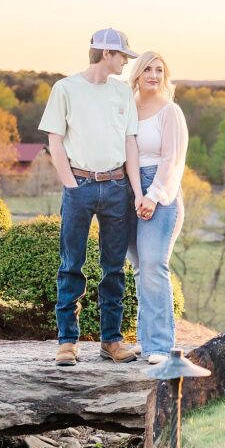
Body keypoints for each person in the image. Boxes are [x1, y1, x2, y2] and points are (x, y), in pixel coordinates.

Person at [39, 28, 141, 365]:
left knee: (114, 269)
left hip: (116, 188)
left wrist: (134, 188)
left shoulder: (123, 92)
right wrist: (70, 184)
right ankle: (67, 342)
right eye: (122, 55)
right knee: (71, 266)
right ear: (105, 53)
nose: (126, 61)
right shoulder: (65, 89)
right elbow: (55, 140)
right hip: (79, 187)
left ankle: (111, 341)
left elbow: (130, 142)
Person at [126, 51, 188, 364]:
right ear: (136, 73)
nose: (153, 75)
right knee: (139, 268)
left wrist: (152, 195)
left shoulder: (170, 111)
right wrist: (135, 192)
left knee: (153, 264)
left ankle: (161, 346)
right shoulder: (127, 109)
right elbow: (128, 153)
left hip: (161, 192)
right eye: (148, 69)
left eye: (159, 70)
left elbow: (172, 160)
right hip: (128, 189)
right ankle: (146, 339)